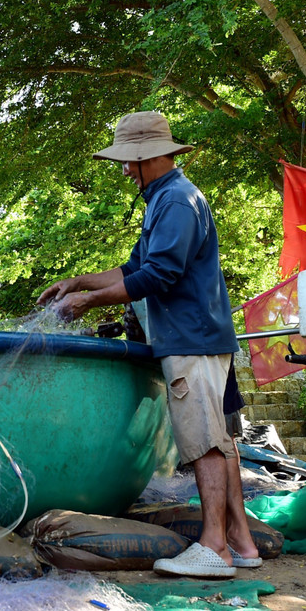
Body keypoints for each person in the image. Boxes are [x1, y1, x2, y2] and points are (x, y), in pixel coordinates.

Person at [37, 110, 257, 578]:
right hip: (203, 333)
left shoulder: (175, 200)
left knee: (203, 442)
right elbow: (133, 268)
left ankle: (214, 548)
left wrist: (89, 302)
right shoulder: (166, 197)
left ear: (150, 156)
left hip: (190, 338)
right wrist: (79, 282)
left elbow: (159, 275)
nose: (123, 170)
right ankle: (241, 541)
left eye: (127, 161)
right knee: (220, 441)